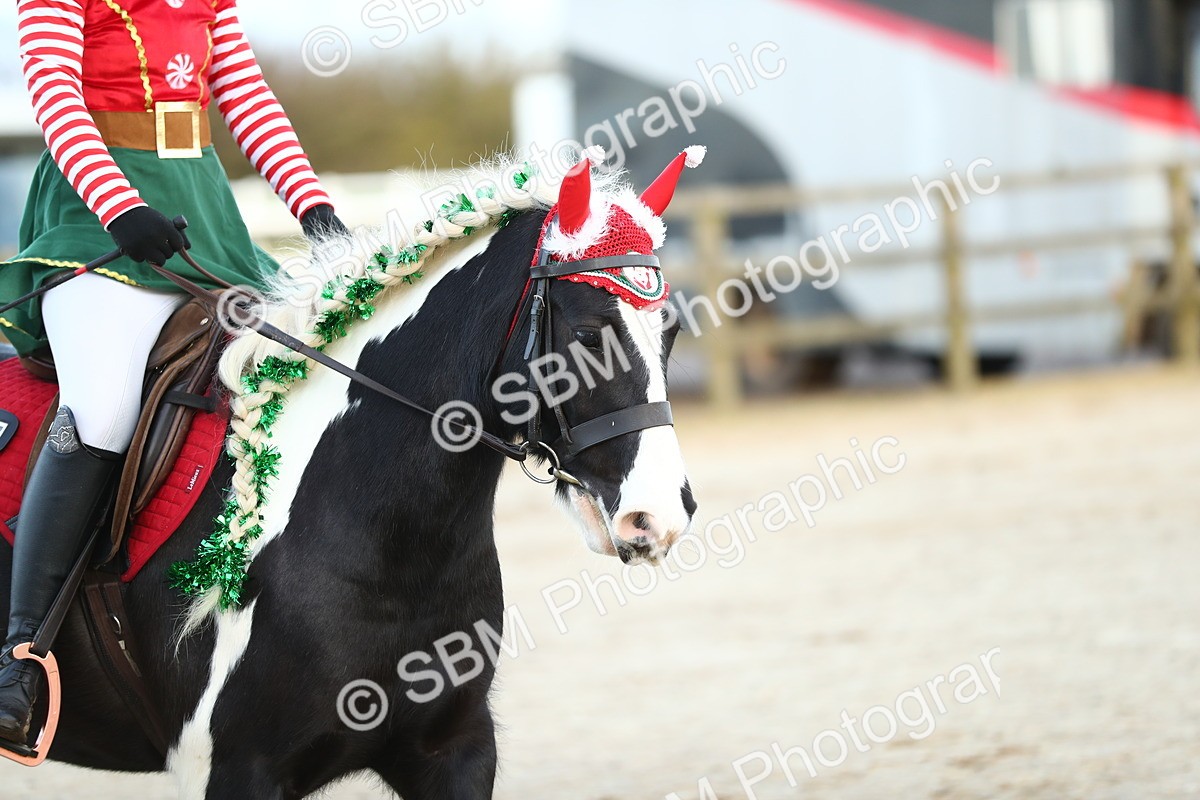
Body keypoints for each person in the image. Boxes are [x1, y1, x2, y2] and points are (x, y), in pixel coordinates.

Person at [0, 0, 347, 747]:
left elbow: (245, 96)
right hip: (93, 222)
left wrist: (313, 208)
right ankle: (19, 655)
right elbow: (53, 90)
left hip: (203, 220)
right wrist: (120, 208)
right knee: (103, 408)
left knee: (294, 375)